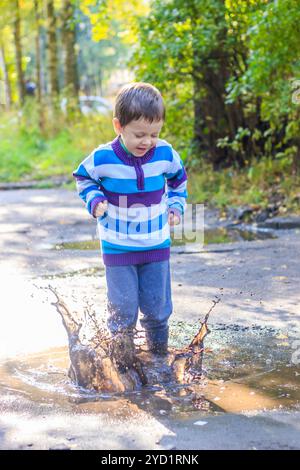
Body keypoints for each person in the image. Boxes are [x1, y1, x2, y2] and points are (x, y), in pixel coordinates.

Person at [73, 82, 188, 356]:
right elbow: (82, 177)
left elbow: (178, 180)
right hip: (117, 246)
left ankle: (159, 360)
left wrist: (176, 205)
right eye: (139, 134)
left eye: (154, 134)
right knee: (123, 313)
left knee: (157, 309)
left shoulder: (165, 153)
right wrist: (94, 199)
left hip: (156, 245)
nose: (147, 141)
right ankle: (123, 365)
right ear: (118, 126)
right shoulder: (102, 157)